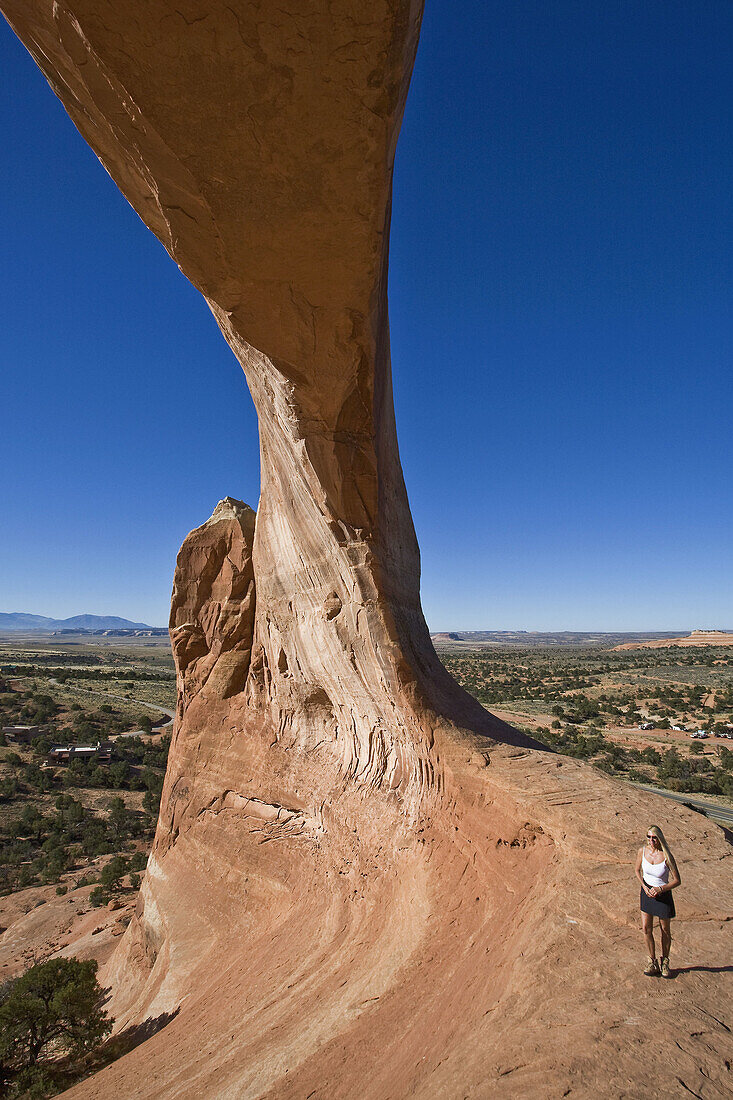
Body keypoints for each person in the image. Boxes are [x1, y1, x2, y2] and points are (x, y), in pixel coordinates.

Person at [635, 824, 680, 977]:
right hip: (647, 893)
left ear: (659, 838)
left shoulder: (667, 856)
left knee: (665, 930)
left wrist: (661, 889)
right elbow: (637, 870)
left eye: (654, 837)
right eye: (649, 837)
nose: (651, 840)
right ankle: (652, 962)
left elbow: (677, 880)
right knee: (646, 928)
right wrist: (644, 887)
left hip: (663, 895)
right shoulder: (642, 851)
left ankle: (665, 962)